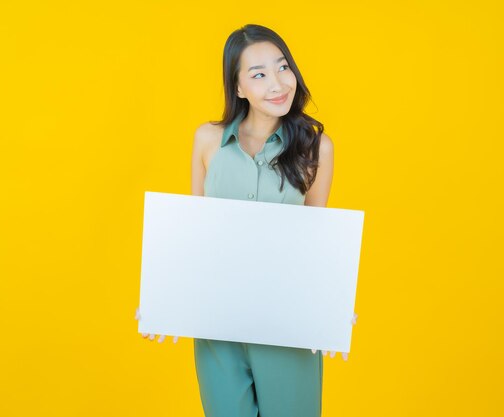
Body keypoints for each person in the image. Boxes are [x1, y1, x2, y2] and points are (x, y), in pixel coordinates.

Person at [136, 24, 357, 417]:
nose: (277, 83)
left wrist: (331, 307)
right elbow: (196, 232)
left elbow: (316, 240)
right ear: (238, 88)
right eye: (258, 75)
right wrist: (162, 299)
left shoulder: (316, 147)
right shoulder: (207, 140)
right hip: (217, 327)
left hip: (287, 325)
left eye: (282, 67)